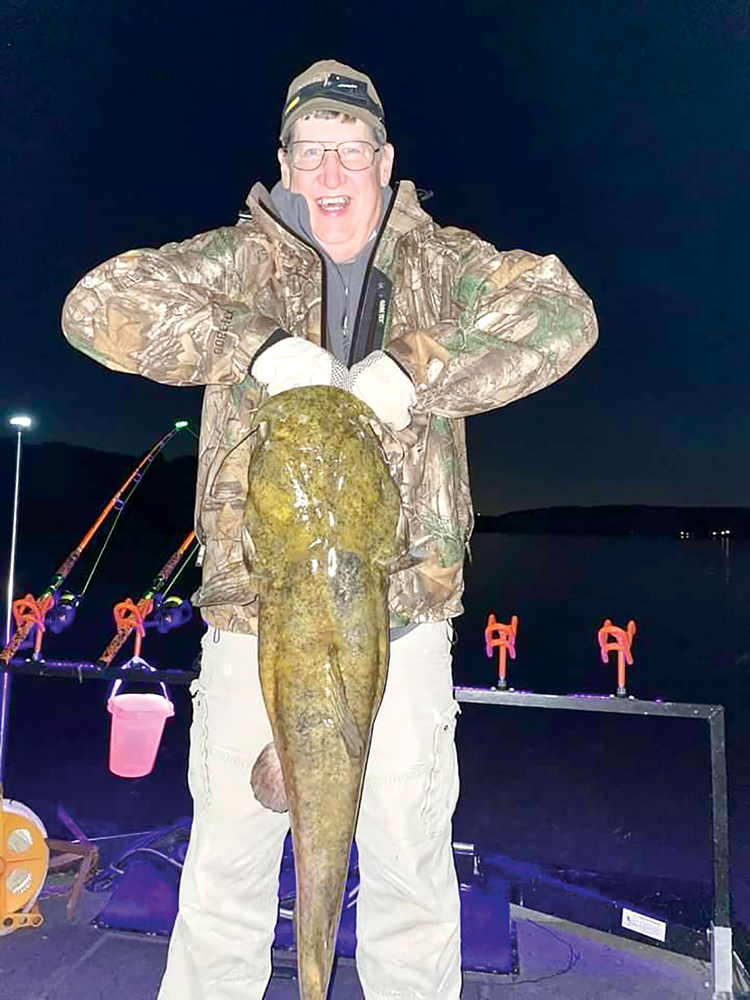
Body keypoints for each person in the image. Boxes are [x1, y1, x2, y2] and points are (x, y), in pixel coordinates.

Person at [62, 59, 598, 1000]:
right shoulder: (236, 263)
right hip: (248, 627)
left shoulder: (446, 266)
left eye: (353, 151)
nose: (333, 173)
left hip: (404, 626)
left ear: (387, 163)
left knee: (409, 876)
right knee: (225, 878)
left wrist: (418, 362)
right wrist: (257, 346)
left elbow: (564, 315)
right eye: (312, 151)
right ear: (282, 161)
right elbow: (95, 305)